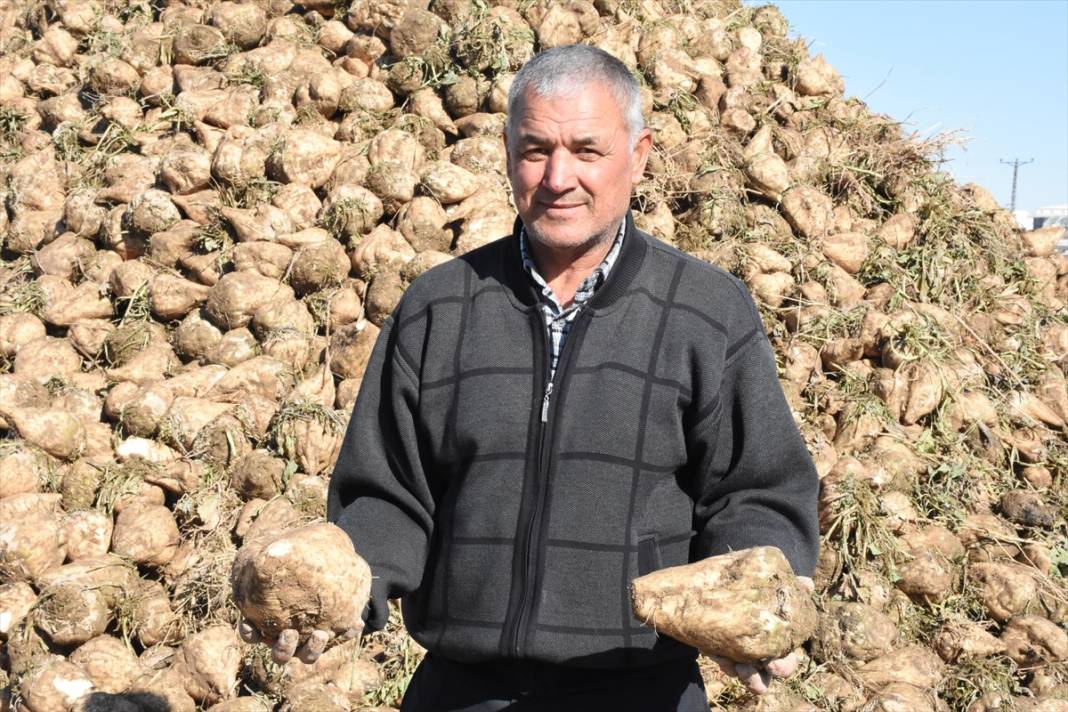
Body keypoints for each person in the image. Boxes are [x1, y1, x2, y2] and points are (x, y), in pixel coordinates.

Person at [252, 44, 820, 710]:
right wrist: (345, 584)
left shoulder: (705, 312)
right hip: (463, 691)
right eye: (534, 150)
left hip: (640, 690)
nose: (557, 177)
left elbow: (757, 490)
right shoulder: (439, 306)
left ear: (637, 156)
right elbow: (387, 495)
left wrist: (759, 595)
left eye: (587, 150)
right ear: (506, 152)